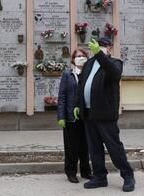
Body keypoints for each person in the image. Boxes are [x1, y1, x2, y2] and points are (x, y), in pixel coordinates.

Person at [74, 37, 135, 192]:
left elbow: (114, 74)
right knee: (94, 148)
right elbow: (81, 85)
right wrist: (77, 105)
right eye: (99, 45)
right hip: (88, 113)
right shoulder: (88, 64)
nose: (101, 47)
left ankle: (128, 175)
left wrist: (99, 55)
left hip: (105, 114)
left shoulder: (114, 63)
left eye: (104, 45)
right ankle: (100, 177)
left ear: (110, 47)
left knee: (114, 147)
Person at [57, 49, 92, 183]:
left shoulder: (89, 74)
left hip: (86, 116)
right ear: (73, 59)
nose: (81, 58)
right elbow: (62, 96)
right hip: (71, 117)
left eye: (83, 56)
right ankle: (71, 172)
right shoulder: (67, 74)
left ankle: (86, 171)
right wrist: (61, 116)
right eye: (78, 56)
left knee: (85, 146)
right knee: (71, 147)